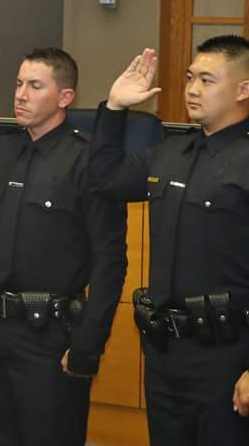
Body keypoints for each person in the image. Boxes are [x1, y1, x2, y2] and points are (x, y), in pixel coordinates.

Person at [0, 48, 127, 446]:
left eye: (35, 86)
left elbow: (110, 261)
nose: (21, 95)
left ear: (65, 97)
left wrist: (88, 344)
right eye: (18, 84)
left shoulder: (86, 162)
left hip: (51, 336)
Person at [89, 38, 249, 445]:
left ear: (243, 90)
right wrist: (114, 109)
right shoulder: (169, 154)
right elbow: (103, 181)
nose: (192, 89)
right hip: (165, 353)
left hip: (228, 356)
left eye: (207, 80)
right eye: (190, 78)